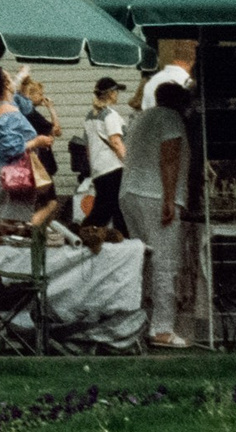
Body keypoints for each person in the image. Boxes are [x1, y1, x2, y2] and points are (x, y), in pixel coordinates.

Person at [122, 79, 193, 348]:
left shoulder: (142, 117)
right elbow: (169, 157)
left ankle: (137, 323)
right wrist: (169, 197)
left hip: (130, 191)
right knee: (165, 261)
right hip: (155, 194)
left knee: (143, 261)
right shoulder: (171, 119)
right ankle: (162, 328)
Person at [0, 67, 56, 227]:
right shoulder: (8, 111)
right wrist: (37, 142)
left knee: (8, 227)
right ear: (6, 85)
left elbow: (18, 98)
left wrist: (21, 77)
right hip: (13, 176)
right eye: (9, 78)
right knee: (15, 230)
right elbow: (13, 149)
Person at [81, 77, 129, 233]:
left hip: (98, 168)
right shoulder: (111, 115)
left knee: (110, 207)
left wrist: (92, 166)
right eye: (116, 91)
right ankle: (85, 233)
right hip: (113, 167)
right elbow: (115, 142)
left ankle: (91, 233)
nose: (117, 95)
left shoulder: (89, 116)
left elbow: (88, 147)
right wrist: (128, 163)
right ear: (112, 93)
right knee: (110, 209)